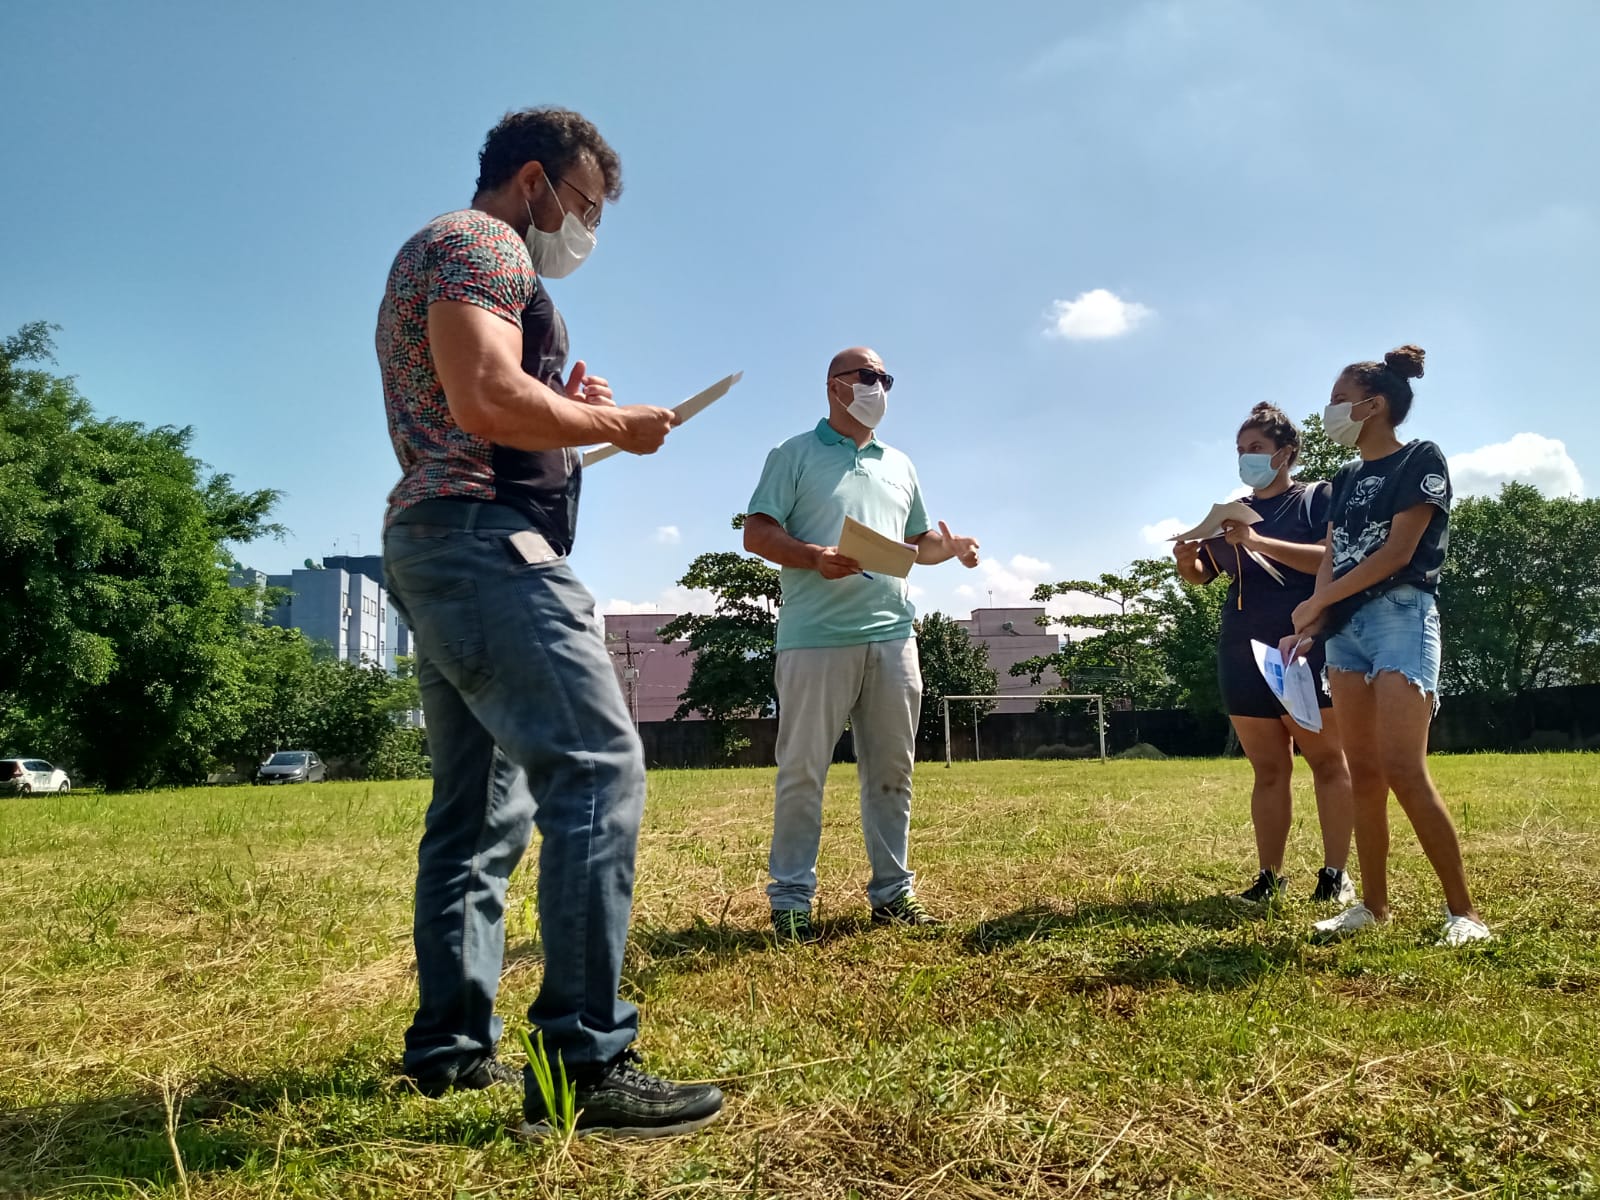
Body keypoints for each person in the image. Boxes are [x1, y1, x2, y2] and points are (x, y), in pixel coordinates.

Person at [376, 106, 724, 1137]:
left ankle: (448, 1051)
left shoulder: (448, 255)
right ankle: (584, 1064)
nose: (584, 230)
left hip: (443, 540)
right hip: (485, 548)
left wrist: (563, 409)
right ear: (532, 183)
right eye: (581, 206)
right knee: (596, 772)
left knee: (479, 817)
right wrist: (615, 423)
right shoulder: (479, 242)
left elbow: (486, 398)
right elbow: (484, 398)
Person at [743, 347, 981, 943]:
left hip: (893, 636)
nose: (879, 387)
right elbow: (757, 531)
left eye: (885, 379)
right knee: (802, 772)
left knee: (893, 772)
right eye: (867, 377)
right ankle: (792, 902)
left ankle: (893, 895)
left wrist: (948, 549)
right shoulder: (792, 454)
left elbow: (919, 541)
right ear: (834, 386)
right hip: (814, 638)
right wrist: (813, 556)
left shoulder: (900, 463)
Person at [1281, 345, 1491, 946]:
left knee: (1404, 767)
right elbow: (1332, 558)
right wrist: (1313, 620)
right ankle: (1372, 906)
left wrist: (1321, 601)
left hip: (1402, 615)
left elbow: (1398, 553)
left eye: (1339, 399)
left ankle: (1465, 912)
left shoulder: (1421, 459)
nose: (1330, 410)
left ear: (1373, 405)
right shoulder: (1343, 478)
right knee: (1365, 772)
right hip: (1345, 634)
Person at [1173, 404, 1355, 904]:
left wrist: (1258, 541)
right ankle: (1269, 879)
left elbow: (1335, 560)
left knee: (1326, 760)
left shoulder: (1317, 499)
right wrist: (1187, 563)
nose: (1246, 458)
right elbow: (1205, 576)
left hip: (1305, 645)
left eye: (1255, 448)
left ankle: (1334, 876)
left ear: (1286, 453)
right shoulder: (1232, 513)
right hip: (1242, 649)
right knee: (1269, 769)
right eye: (1240, 451)